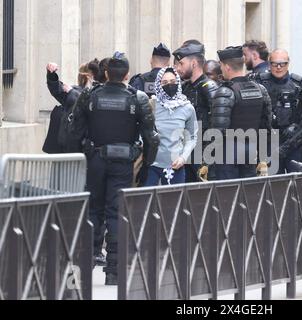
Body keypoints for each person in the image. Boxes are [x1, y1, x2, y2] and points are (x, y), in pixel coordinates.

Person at [69, 52, 160, 285]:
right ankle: (113, 272)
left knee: (93, 212)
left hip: (95, 160)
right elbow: (152, 137)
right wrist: (146, 164)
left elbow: (74, 129)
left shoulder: (90, 94)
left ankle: (85, 267)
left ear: (107, 73)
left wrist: (79, 156)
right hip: (122, 163)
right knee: (116, 213)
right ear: (127, 75)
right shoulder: (138, 98)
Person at [211, 46, 272, 180]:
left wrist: (207, 161)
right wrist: (263, 157)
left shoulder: (225, 92)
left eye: (221, 65)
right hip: (250, 151)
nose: (220, 69)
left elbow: (218, 132)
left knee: (227, 195)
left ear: (226, 67)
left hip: (228, 153)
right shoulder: (260, 90)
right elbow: (266, 127)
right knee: (247, 195)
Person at [143, 67, 198, 186]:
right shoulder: (151, 105)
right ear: (158, 84)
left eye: (173, 82)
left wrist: (183, 158)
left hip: (176, 167)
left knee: (173, 203)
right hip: (152, 167)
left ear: (178, 82)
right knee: (147, 203)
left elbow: (192, 137)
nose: (169, 85)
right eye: (164, 83)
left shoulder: (187, 108)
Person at [173, 42, 218, 182]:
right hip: (185, 151)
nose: (177, 68)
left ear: (193, 63)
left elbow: (217, 123)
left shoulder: (208, 87)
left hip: (204, 152)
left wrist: (208, 155)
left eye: (181, 63)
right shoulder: (184, 87)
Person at [255, 49, 302, 173]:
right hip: (268, 140)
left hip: (292, 139)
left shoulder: (297, 83)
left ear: (288, 63)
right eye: (274, 64)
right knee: (272, 181)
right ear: (269, 63)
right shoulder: (259, 81)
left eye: (283, 64)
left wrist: (295, 125)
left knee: (297, 179)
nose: (278, 67)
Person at [43, 60, 98, 154]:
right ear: (87, 77)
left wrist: (73, 93)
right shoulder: (73, 90)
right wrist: (51, 74)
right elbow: (57, 90)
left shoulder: (97, 94)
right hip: (69, 146)